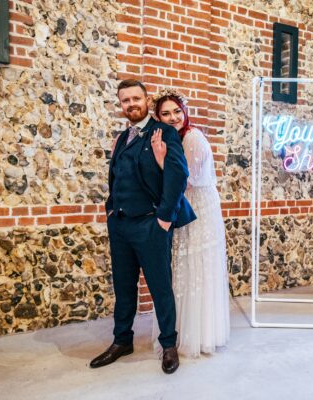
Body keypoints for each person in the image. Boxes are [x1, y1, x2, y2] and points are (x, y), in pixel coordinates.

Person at [90, 80, 196, 374]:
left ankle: (169, 345)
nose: (131, 104)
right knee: (123, 288)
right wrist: (111, 210)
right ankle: (121, 340)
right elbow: (117, 177)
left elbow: (177, 176)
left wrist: (163, 218)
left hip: (151, 224)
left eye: (136, 98)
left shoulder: (164, 133)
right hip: (121, 225)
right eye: (125, 101)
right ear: (121, 105)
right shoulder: (122, 137)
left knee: (161, 288)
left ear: (147, 101)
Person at [150, 88, 230, 358]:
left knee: (195, 266)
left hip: (198, 208)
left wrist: (161, 163)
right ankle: (181, 330)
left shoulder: (193, 138)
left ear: (184, 112)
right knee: (182, 267)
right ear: (158, 117)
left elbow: (185, 179)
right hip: (185, 204)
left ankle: (199, 334)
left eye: (176, 112)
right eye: (166, 113)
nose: (173, 117)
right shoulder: (175, 137)